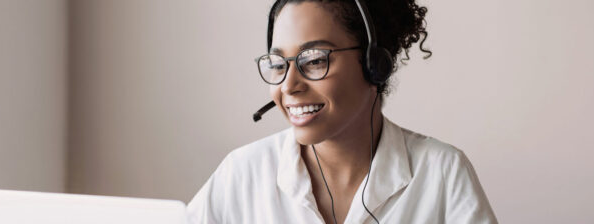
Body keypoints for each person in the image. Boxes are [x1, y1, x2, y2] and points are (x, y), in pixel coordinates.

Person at [186, 0, 498, 223]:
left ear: (374, 65)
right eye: (278, 65)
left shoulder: (442, 173)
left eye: (314, 60)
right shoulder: (242, 173)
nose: (288, 85)